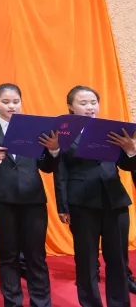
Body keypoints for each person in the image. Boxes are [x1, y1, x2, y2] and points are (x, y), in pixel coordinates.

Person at [0, 83, 58, 307]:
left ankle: (41, 302)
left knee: (36, 255)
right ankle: (12, 302)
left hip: (33, 199)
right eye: (6, 102)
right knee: (8, 254)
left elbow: (46, 167)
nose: (12, 106)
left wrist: (53, 150)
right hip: (1, 200)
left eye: (16, 101)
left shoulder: (33, 127)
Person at [54, 85, 136, 307]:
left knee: (118, 260)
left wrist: (131, 150)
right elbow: (60, 172)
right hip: (81, 204)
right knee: (86, 261)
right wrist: (63, 206)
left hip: (114, 201)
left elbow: (127, 165)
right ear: (70, 107)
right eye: (83, 103)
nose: (90, 107)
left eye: (93, 102)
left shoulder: (113, 130)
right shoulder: (64, 134)